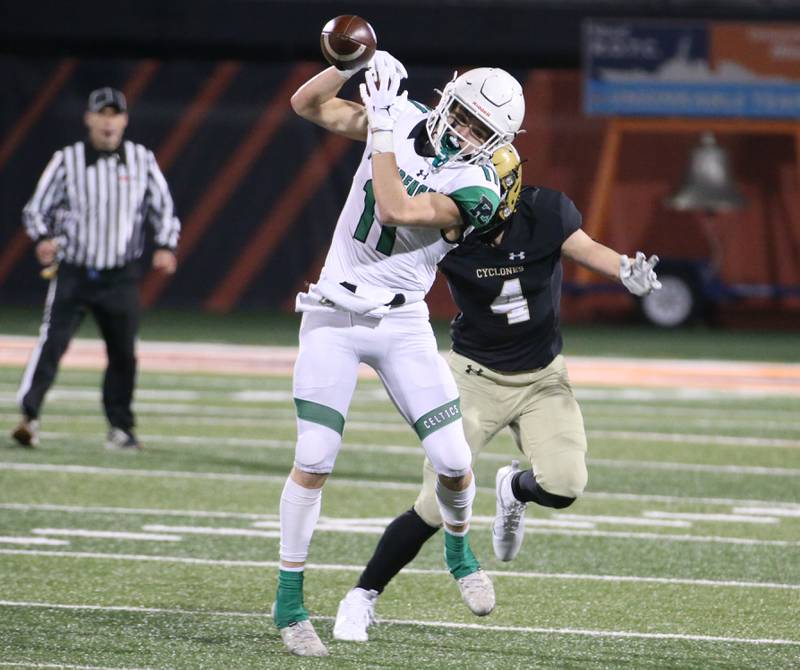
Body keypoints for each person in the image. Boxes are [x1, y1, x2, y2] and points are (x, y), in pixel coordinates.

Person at [332, 144, 661, 642]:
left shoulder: (545, 213)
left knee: (565, 484)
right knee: (432, 506)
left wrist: (623, 270)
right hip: (472, 379)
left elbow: (587, 248)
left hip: (543, 378)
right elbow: (390, 229)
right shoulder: (444, 230)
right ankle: (362, 596)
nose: (466, 201)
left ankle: (513, 491)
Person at [276, 52, 525, 656]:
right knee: (314, 454)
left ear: (497, 142)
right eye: (461, 115)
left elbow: (396, 208)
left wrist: (384, 121)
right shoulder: (405, 117)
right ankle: (289, 606)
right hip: (333, 311)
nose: (463, 132)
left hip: (402, 320)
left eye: (478, 129)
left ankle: (459, 551)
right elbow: (307, 106)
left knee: (454, 459)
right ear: (447, 100)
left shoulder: (478, 187)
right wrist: (343, 64)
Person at [11, 87, 180, 451]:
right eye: (101, 114)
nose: (108, 121)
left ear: (124, 120)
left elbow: (162, 207)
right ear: (89, 118)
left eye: (114, 114)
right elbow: (35, 209)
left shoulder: (141, 159)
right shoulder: (67, 159)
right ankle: (30, 417)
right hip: (74, 271)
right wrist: (43, 238)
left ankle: (121, 428)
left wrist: (166, 244)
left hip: (120, 275)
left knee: (123, 353)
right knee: (52, 344)